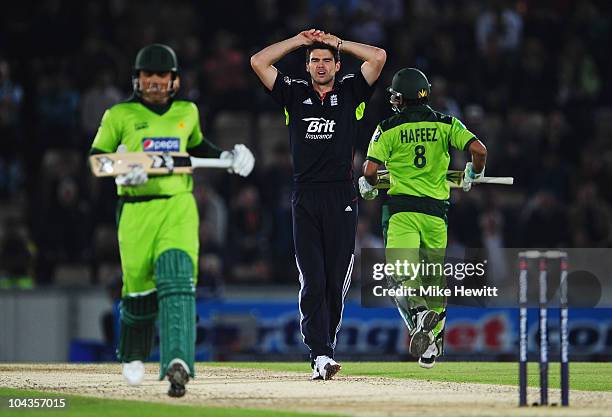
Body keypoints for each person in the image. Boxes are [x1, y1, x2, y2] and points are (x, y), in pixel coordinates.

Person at [90, 44, 255, 397]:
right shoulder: (119, 115)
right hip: (136, 211)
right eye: (147, 75)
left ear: (174, 81)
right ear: (137, 79)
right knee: (138, 294)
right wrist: (123, 170)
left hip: (178, 206)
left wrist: (230, 156)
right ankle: (133, 353)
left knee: (179, 280)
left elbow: (197, 147)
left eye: (161, 75)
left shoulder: (187, 112)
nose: (154, 81)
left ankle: (178, 362)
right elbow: (96, 161)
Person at [251, 29, 386, 379]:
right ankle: (320, 354)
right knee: (312, 279)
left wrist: (338, 42)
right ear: (307, 66)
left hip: (341, 196)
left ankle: (326, 347)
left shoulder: (351, 90)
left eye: (327, 60)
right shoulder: (293, 93)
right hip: (306, 196)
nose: (321, 65)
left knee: (334, 280)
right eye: (315, 60)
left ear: (338, 65)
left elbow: (378, 57)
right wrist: (298, 40)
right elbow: (259, 61)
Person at [359, 68, 487, 368]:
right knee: (434, 282)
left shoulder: (387, 127)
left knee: (400, 276)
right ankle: (433, 346)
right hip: (436, 215)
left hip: (402, 211)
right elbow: (479, 150)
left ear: (400, 97)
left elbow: (370, 171)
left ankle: (417, 316)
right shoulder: (446, 123)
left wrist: (368, 187)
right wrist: (473, 174)